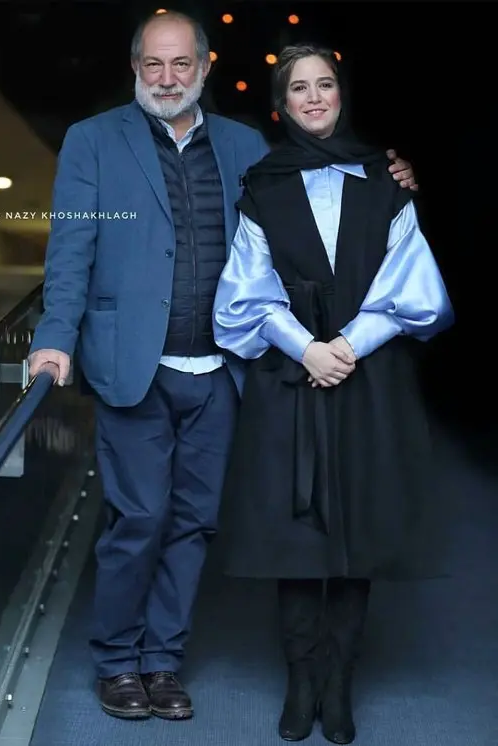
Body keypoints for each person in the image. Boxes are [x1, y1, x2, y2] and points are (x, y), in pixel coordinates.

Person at [27, 12, 417, 722]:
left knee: (195, 522)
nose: (167, 78)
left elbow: (317, 197)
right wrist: (54, 337)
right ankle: (117, 662)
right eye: (153, 64)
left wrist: (389, 172)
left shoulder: (245, 145)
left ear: (205, 68)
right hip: (133, 363)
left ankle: (162, 661)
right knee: (139, 516)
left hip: (226, 369)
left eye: (182, 64)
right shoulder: (93, 141)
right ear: (135, 67)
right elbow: (71, 250)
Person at [212, 43, 452, 744]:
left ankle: (339, 682)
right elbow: (244, 291)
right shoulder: (261, 186)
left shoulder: (387, 179)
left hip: (368, 377)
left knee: (359, 530)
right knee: (295, 535)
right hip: (291, 378)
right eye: (299, 88)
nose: (314, 97)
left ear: (342, 95)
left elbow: (413, 283)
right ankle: (301, 680)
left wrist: (347, 346)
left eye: (325, 85)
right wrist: (307, 349)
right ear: (279, 105)